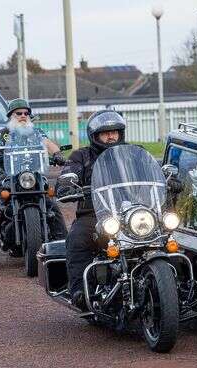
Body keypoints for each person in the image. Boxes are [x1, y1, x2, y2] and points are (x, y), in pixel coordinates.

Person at [0, 98, 68, 268]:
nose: (23, 116)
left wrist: (56, 153)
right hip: (7, 179)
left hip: (34, 177)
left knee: (53, 208)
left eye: (26, 113)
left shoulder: (37, 132)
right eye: (18, 113)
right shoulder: (2, 134)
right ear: (11, 116)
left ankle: (64, 247)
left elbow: (48, 144)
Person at [57, 110, 127, 307]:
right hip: (95, 213)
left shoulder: (133, 153)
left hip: (132, 213)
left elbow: (151, 171)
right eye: (106, 133)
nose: (111, 136)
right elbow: (68, 173)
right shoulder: (81, 155)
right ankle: (79, 290)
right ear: (95, 136)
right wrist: (67, 185)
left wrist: (169, 181)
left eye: (115, 132)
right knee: (78, 238)